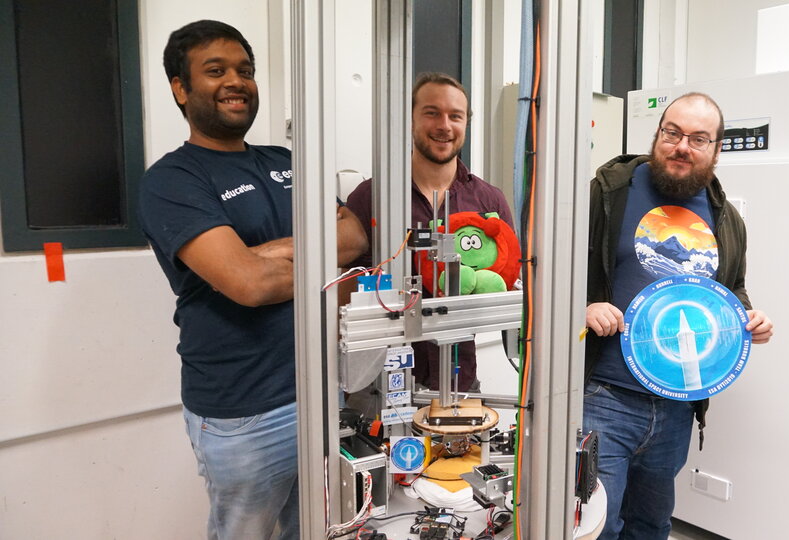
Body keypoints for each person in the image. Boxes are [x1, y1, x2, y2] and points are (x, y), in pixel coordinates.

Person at [139, 20, 366, 539]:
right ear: (181, 88)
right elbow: (249, 284)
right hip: (245, 413)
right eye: (215, 70)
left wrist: (263, 254)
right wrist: (265, 263)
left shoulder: (286, 161)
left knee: (320, 529)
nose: (235, 81)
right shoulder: (172, 180)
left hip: (322, 391)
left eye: (245, 70)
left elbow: (354, 237)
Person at [582, 92, 774, 540]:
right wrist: (584, 306)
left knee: (651, 526)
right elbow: (552, 270)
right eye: (673, 133)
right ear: (657, 135)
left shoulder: (727, 219)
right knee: (596, 526)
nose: (682, 146)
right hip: (604, 397)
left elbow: (732, 288)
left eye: (698, 139)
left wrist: (748, 317)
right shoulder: (608, 194)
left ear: (716, 150)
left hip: (677, 404)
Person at [345, 72, 514, 401]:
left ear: (466, 123)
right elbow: (346, 288)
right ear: (410, 119)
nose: (444, 126)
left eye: (455, 116)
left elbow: (506, 278)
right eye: (432, 113)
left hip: (459, 379)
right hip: (380, 381)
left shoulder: (489, 201)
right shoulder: (372, 196)